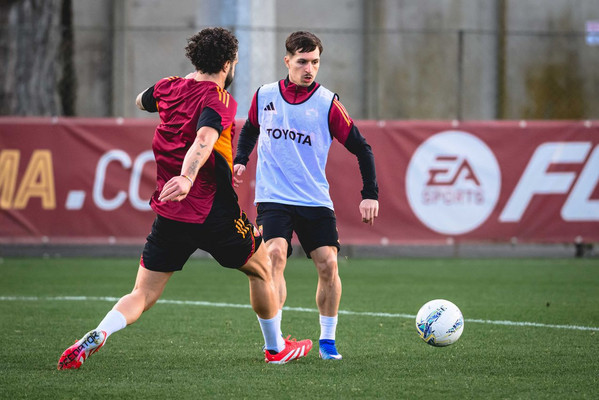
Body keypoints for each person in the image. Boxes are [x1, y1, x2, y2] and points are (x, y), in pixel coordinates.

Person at [57, 27, 312, 370]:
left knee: (142, 294)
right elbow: (204, 139)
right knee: (263, 269)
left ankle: (101, 332)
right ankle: (276, 348)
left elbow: (141, 100)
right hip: (212, 210)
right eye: (234, 62)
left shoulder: (169, 87)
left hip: (171, 212)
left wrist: (179, 87)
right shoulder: (219, 99)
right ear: (227, 64)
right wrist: (189, 177)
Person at [233, 31, 379, 360]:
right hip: (273, 196)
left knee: (328, 264)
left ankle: (327, 342)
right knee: (274, 256)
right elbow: (251, 128)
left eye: (315, 62)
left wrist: (370, 193)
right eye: (302, 62)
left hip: (314, 198)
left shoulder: (327, 103)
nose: (309, 68)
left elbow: (362, 148)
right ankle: (276, 343)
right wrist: (241, 157)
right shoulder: (265, 95)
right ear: (287, 61)